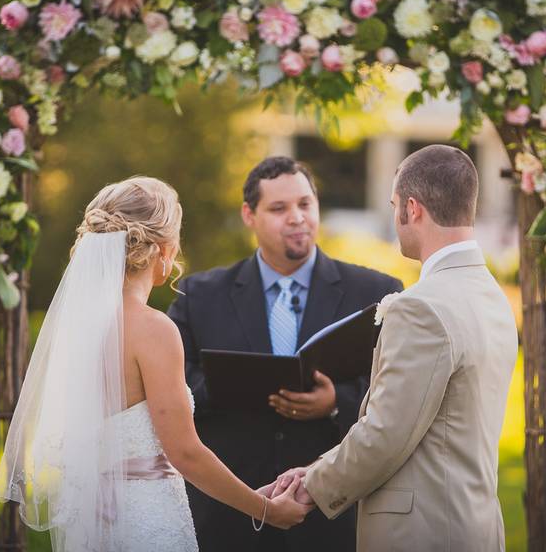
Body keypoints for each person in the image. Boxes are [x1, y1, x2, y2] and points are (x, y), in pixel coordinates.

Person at [0, 176, 310, 552]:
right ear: (162, 250)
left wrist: (245, 494)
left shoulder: (77, 327)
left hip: (95, 517)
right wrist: (266, 510)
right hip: (145, 517)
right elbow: (185, 453)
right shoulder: (153, 329)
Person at [270, 145, 519, 552]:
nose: (395, 216)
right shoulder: (491, 295)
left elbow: (386, 434)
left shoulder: (421, 307)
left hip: (423, 533)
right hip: (474, 524)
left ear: (413, 208)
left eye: (393, 205)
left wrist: (310, 487)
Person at [168, 157, 403, 551]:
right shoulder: (197, 297)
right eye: (279, 209)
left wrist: (336, 402)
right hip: (230, 517)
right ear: (249, 215)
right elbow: (173, 388)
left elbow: (397, 391)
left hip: (333, 518)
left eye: (304, 204)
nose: (296, 218)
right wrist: (234, 385)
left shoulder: (376, 293)